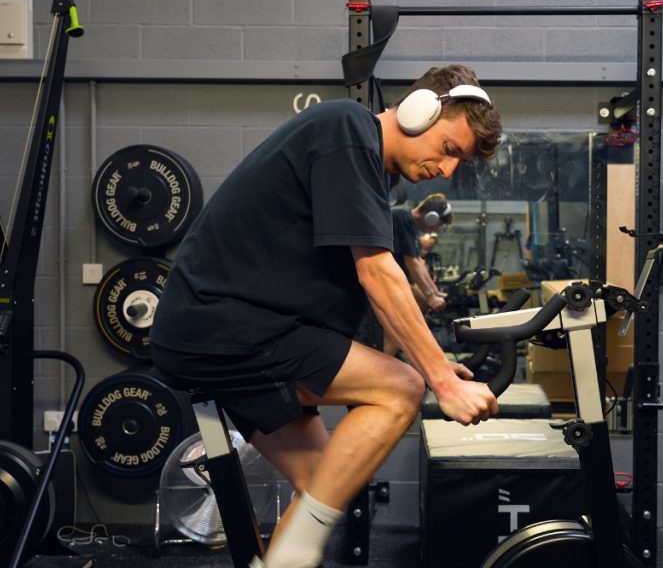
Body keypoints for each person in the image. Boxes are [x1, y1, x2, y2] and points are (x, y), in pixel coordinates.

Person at [149, 64, 503, 568]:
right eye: (449, 149)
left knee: (328, 480)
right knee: (401, 389)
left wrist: (435, 362)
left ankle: (285, 560)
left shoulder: (372, 172)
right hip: (223, 325)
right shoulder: (346, 129)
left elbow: (372, 292)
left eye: (458, 162)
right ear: (419, 111)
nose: (447, 170)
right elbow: (377, 272)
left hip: (236, 331)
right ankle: (288, 560)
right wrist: (439, 381)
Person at [384, 193, 452, 357]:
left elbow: (419, 262)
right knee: (404, 324)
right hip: (386, 278)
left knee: (422, 303)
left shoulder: (410, 224)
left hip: (396, 278)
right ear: (431, 217)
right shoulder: (402, 218)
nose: (435, 230)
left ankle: (397, 349)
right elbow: (411, 262)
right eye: (437, 225)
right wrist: (430, 296)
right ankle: (387, 356)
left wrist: (434, 292)